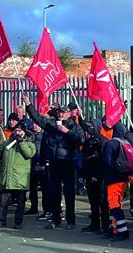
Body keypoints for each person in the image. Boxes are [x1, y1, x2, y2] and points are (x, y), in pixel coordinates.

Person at [23, 95, 84, 230]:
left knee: (69, 194)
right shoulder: (51, 124)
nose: (60, 114)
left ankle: (70, 220)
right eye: (59, 112)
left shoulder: (75, 126)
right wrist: (28, 104)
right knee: (54, 193)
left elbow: (80, 140)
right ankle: (56, 219)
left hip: (68, 163)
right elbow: (37, 119)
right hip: (53, 163)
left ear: (69, 113)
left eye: (63, 112)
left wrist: (66, 131)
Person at [0, 122, 36, 230]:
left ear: (24, 132)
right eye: (15, 130)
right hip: (7, 179)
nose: (17, 133)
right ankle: (1, 221)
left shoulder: (30, 144)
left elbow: (28, 154)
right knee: (2, 203)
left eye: (20, 131)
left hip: (20, 180)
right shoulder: (7, 143)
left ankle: (18, 222)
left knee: (20, 204)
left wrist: (21, 143)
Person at [102, 123, 133, 241]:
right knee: (116, 203)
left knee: (114, 206)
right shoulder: (125, 142)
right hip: (123, 177)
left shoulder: (111, 143)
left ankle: (122, 231)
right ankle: (113, 228)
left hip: (113, 178)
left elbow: (106, 163)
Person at [81, 119, 109, 233]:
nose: (87, 131)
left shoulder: (102, 141)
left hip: (100, 177)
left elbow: (104, 161)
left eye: (89, 128)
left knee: (102, 202)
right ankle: (94, 224)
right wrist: (82, 174)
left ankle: (105, 225)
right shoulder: (88, 142)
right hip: (89, 175)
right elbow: (85, 159)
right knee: (93, 202)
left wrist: (97, 175)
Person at [25, 123, 44, 215]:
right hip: (31, 165)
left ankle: (46, 209)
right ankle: (33, 207)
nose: (34, 126)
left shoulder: (44, 135)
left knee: (45, 189)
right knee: (32, 189)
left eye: (36, 124)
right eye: (33, 124)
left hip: (41, 165)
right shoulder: (30, 135)